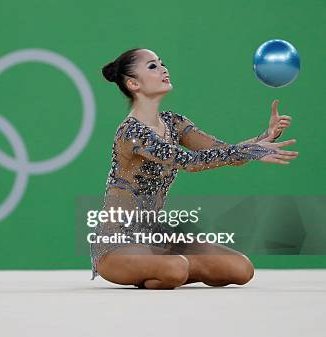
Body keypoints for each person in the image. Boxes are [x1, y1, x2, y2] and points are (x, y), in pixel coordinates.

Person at [90, 48, 298, 289]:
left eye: (162, 63)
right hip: (118, 243)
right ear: (133, 83)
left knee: (241, 268)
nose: (163, 69)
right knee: (176, 268)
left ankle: (168, 270)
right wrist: (249, 151)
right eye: (152, 66)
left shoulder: (173, 122)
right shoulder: (132, 133)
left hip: (157, 236)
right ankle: (169, 270)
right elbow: (190, 161)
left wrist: (263, 139)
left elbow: (222, 151)